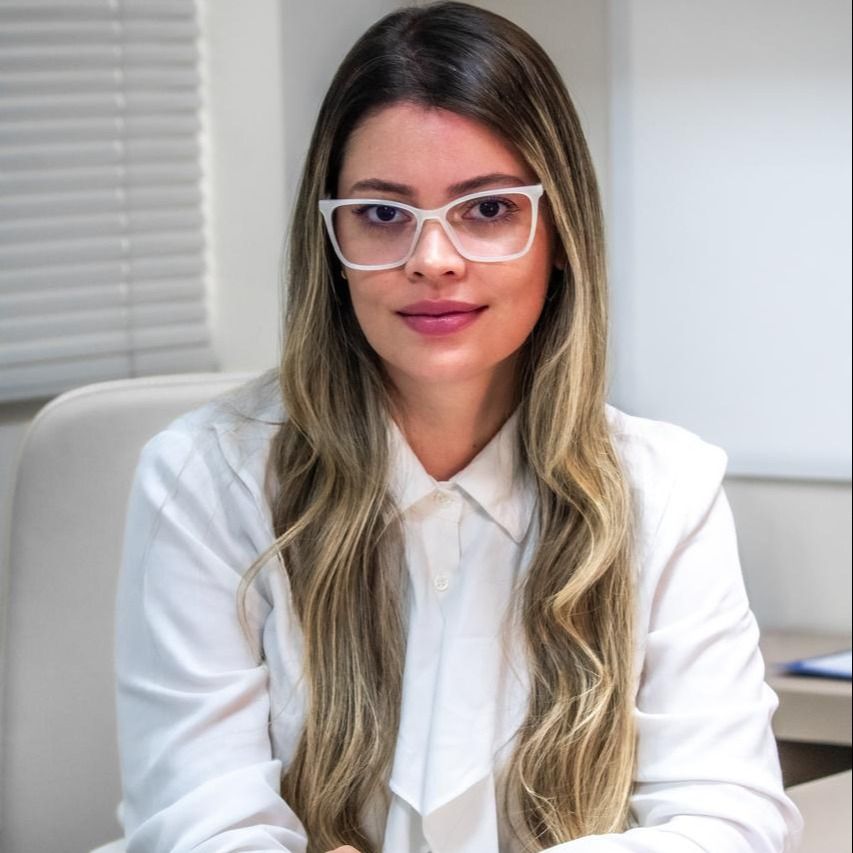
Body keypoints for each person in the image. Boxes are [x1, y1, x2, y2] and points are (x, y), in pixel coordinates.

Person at [114, 3, 802, 852]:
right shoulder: (205, 477)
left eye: (486, 210)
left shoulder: (665, 487)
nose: (432, 259)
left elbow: (727, 818)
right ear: (330, 246)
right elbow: (200, 826)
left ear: (558, 235)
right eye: (381, 214)